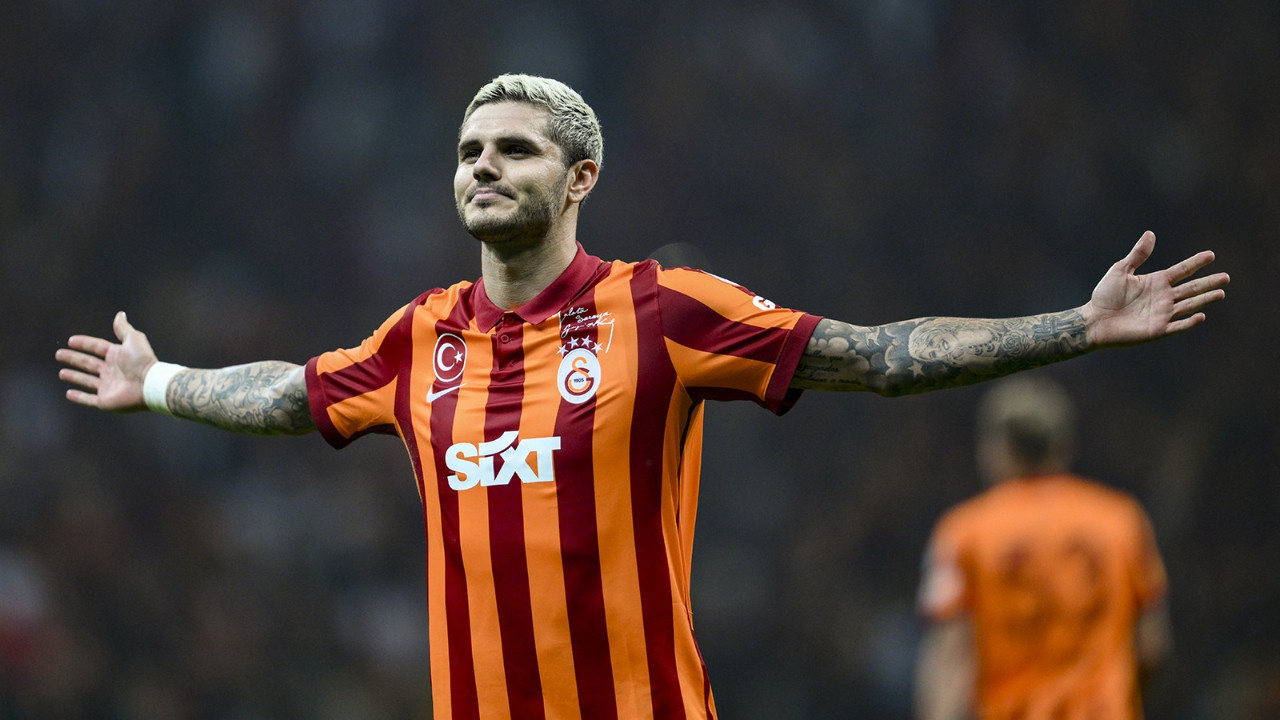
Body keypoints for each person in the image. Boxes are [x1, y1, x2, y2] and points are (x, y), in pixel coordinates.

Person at [55, 74, 1224, 720]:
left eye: (513, 149)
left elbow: (877, 355)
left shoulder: (661, 310)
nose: (481, 165)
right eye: (467, 150)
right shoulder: (417, 339)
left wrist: (1075, 326)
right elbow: (284, 394)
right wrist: (157, 381)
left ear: (581, 178)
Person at [913, 376, 1172, 720]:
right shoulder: (1121, 520)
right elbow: (1152, 646)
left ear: (996, 449)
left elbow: (951, 657)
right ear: (1063, 445)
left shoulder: (964, 532)